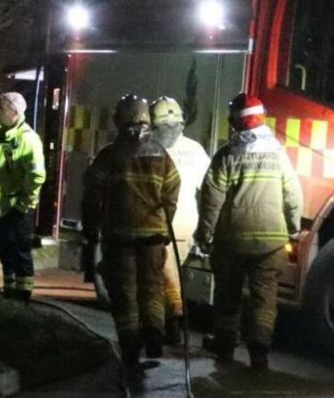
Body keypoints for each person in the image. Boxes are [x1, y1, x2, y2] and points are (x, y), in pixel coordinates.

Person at [193, 93, 303, 371]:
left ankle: (225, 347)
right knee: (264, 298)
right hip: (271, 242)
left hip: (232, 242)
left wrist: (204, 235)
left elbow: (211, 199)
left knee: (228, 296)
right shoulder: (278, 153)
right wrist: (293, 227)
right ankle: (259, 353)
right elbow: (293, 193)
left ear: (236, 122)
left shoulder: (227, 156)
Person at [81, 94, 181, 384]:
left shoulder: (109, 155)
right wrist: (163, 221)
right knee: (151, 289)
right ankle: (154, 334)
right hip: (153, 238)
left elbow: (91, 196)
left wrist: (91, 229)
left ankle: (130, 354)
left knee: (125, 296)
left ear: (120, 120)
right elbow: (172, 191)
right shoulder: (161, 155)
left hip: (119, 238)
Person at [0, 92, 46, 302]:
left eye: (1, 109)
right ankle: (10, 291)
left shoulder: (28, 139)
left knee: (20, 253)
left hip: (18, 207)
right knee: (5, 252)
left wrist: (24, 204)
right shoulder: (1, 136)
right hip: (2, 205)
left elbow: (37, 175)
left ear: (14, 112)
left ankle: (22, 297)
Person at [149, 96, 211, 345]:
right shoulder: (194, 150)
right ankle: (168, 322)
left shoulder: (150, 147)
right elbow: (208, 188)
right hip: (187, 223)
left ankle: (173, 321)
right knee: (169, 271)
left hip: (158, 221)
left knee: (163, 274)